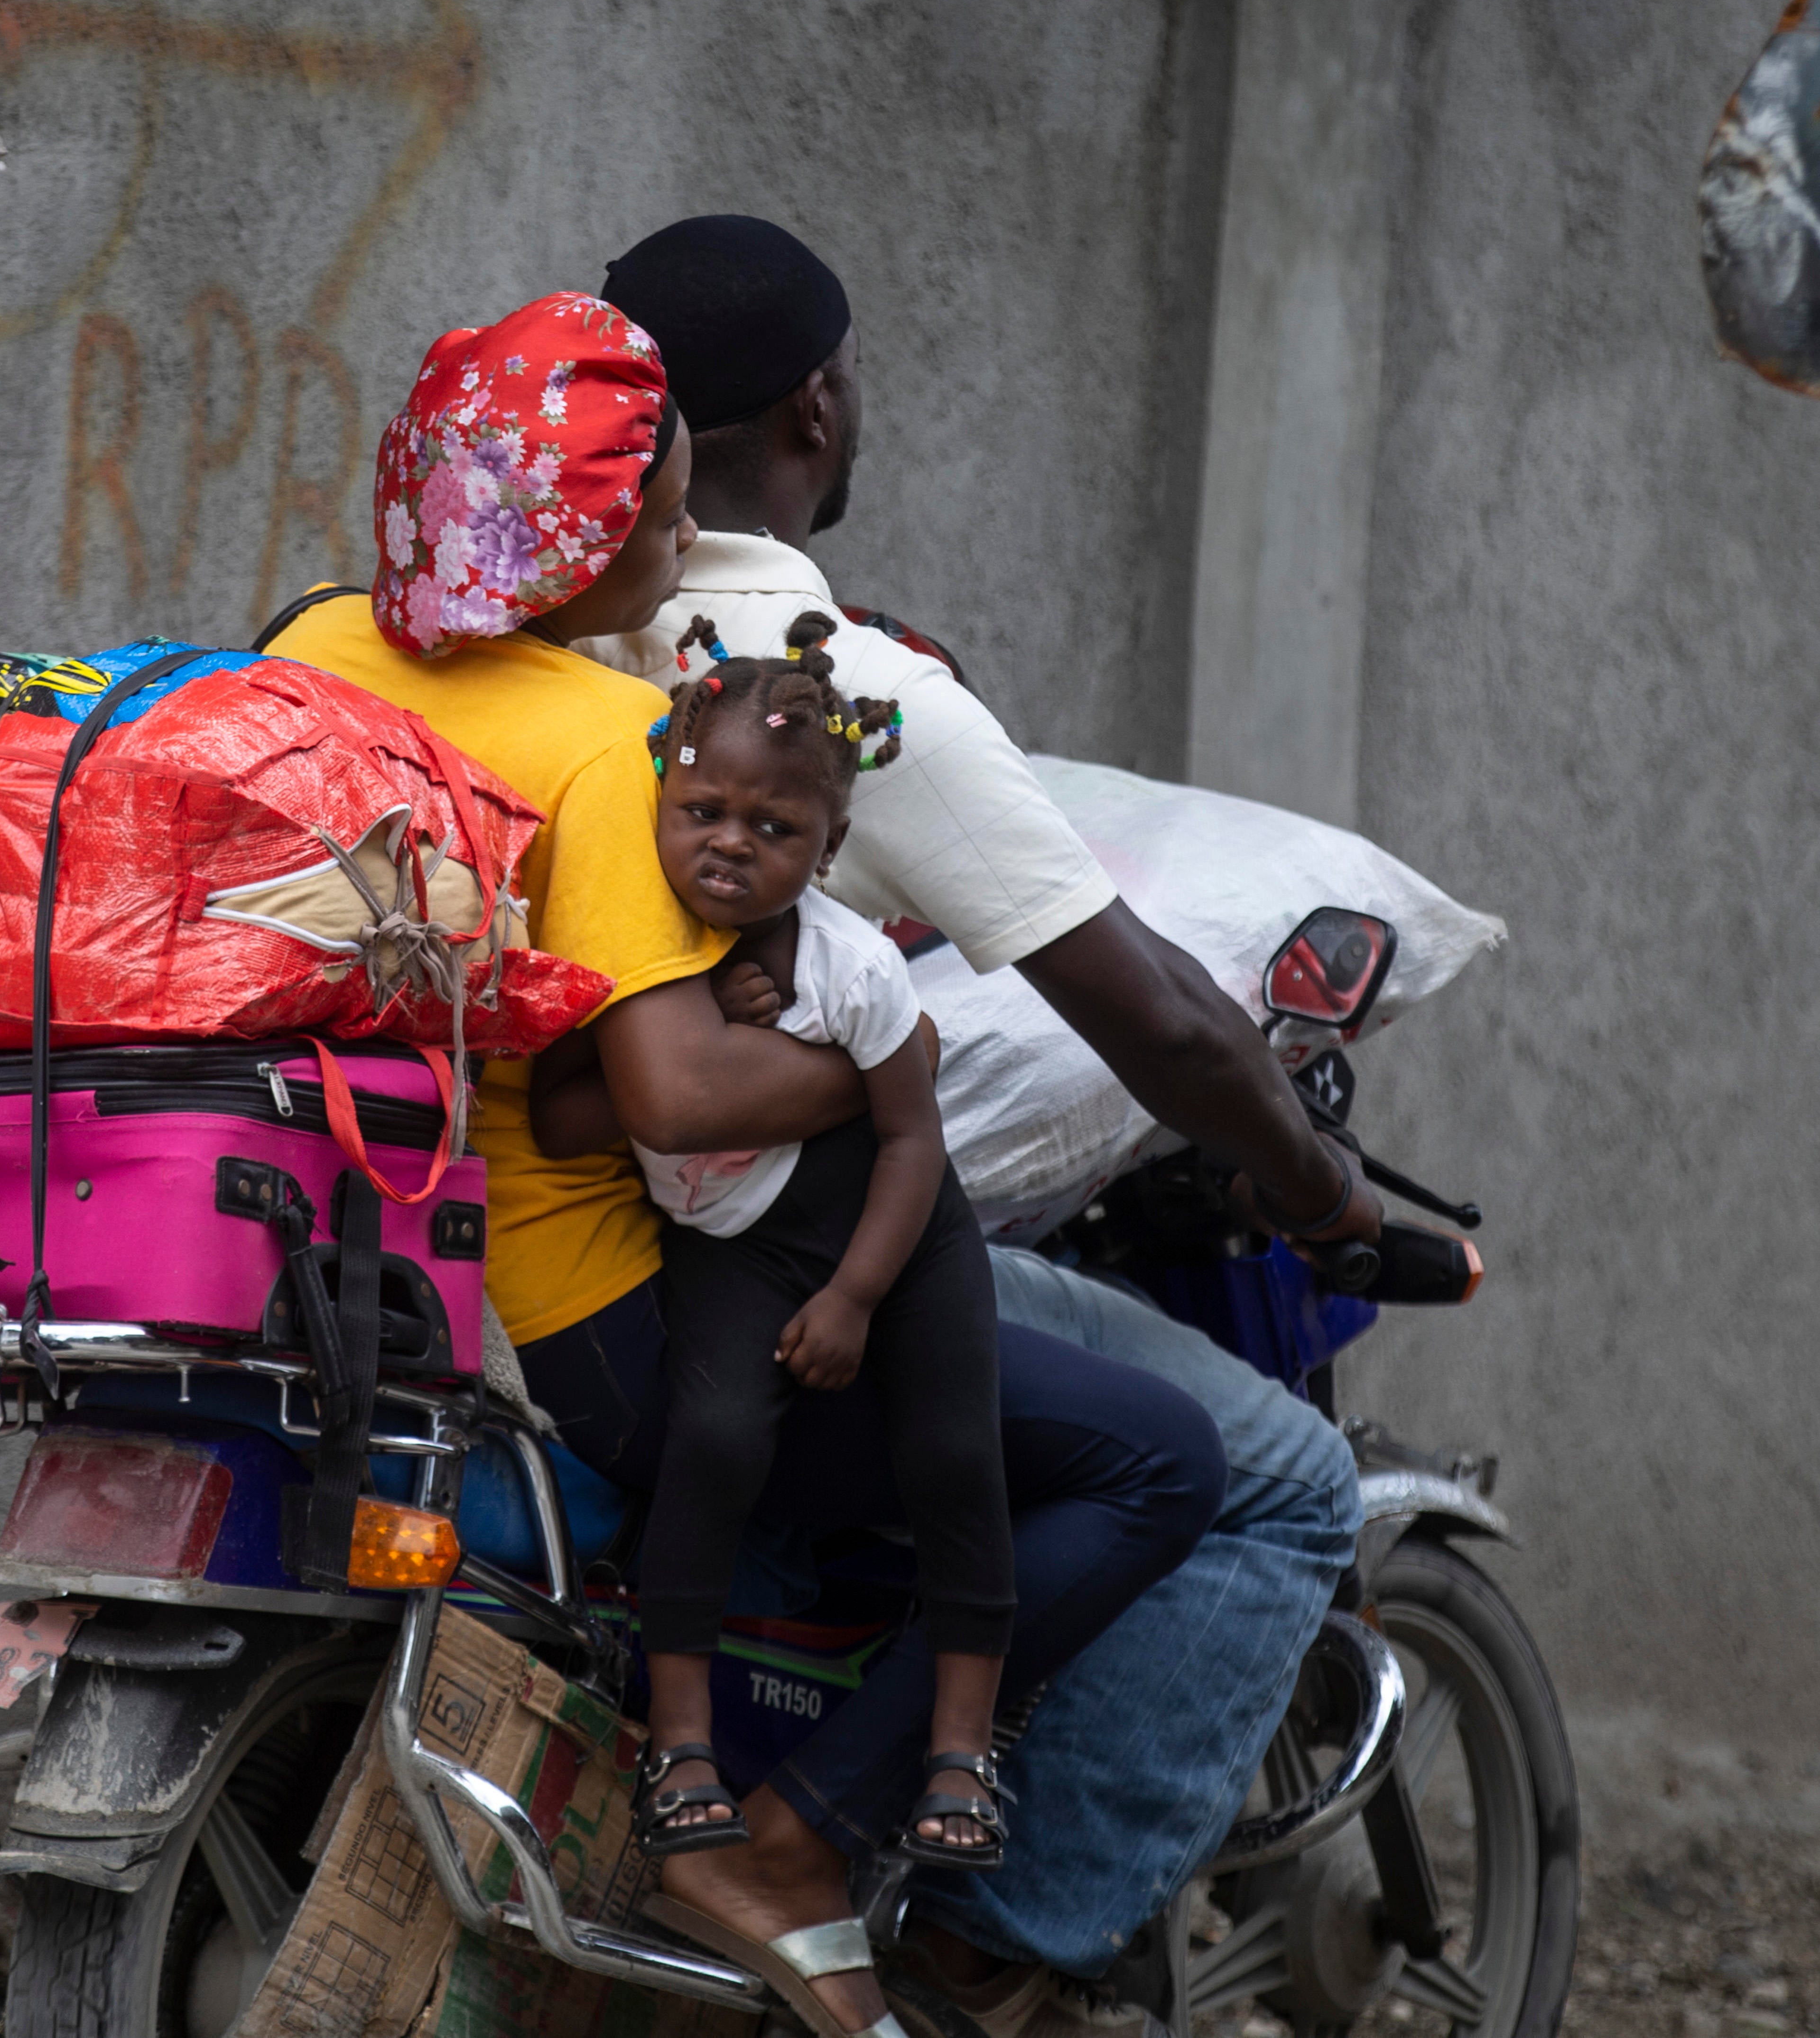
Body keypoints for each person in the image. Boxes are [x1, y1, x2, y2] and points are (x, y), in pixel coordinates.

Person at [268, 291, 1228, 2038]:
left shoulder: (313, 641)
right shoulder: (599, 744)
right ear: (589, 541)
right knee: (1166, 1458)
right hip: (610, 1320)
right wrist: (891, 1072)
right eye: (659, 510)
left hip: (382, 1245)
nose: (685, 538)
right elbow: (681, 1096)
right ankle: (793, 1840)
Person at [589, 215, 1383, 2038]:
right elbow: (1167, 1018)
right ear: (819, 400)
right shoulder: (831, 681)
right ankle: (982, 1952)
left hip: (520, 1218)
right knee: (1267, 1483)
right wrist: (1317, 1188)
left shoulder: (517, 618)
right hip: (741, 1246)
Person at [529, 617, 1012, 1876]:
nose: (731, 844)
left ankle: (962, 1747)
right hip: (736, 1245)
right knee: (718, 1443)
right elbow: (568, 1116)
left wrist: (858, 1297)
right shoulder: (647, 961)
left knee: (956, 1451)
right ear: (660, 804)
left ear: (831, 846)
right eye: (703, 813)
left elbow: (914, 1138)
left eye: (775, 828)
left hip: (892, 1233)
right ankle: (680, 1747)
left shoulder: (858, 973)